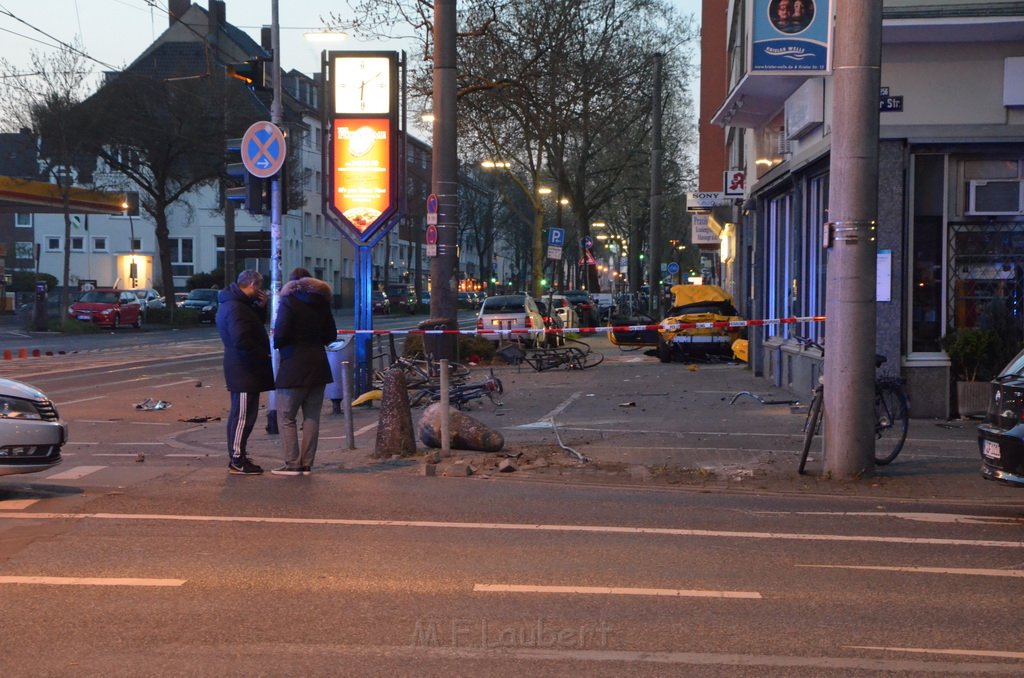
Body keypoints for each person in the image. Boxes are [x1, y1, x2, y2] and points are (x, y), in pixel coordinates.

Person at [271, 267, 338, 476]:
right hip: (318, 365)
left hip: (293, 366)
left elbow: (281, 333)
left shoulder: (288, 302)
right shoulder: (322, 303)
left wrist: (279, 344)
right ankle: (307, 463)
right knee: (312, 417)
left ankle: (292, 463)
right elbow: (331, 335)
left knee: (286, 416)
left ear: (291, 284)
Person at [216, 269, 275, 475]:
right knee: (242, 416)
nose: (260, 290)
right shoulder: (236, 308)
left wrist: (261, 307)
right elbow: (242, 338)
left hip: (242, 367)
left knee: (242, 415)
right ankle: (237, 459)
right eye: (259, 287)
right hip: (244, 369)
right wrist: (262, 355)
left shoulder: (236, 305)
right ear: (253, 285)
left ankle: (238, 455)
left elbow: (252, 325)